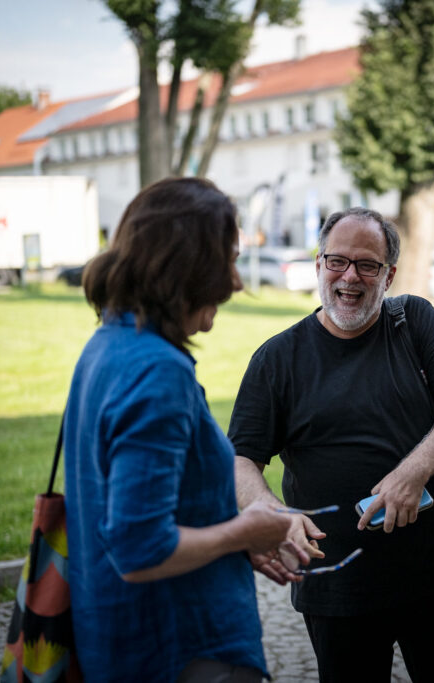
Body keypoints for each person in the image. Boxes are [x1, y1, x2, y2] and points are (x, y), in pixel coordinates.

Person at [228, 207, 434, 683]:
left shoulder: (416, 322)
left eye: (367, 265)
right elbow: (241, 460)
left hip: (432, 577)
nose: (350, 276)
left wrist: (414, 473)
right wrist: (273, 513)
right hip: (336, 588)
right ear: (319, 264)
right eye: (337, 261)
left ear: (388, 275)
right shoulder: (277, 359)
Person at [64, 177, 304, 682]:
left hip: (120, 639)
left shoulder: (107, 344)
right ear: (187, 266)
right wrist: (245, 529)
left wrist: (231, 536)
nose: (237, 282)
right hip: (180, 649)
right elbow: (139, 549)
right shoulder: (157, 370)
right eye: (228, 261)